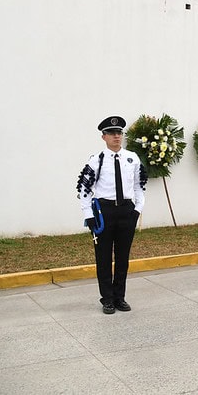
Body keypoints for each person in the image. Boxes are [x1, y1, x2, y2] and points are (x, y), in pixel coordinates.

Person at [76, 116, 147, 314]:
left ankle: (120, 297)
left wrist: (137, 210)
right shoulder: (96, 160)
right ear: (103, 137)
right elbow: (84, 189)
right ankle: (107, 299)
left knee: (123, 258)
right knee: (104, 258)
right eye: (112, 133)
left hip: (126, 211)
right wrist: (89, 215)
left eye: (119, 133)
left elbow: (139, 187)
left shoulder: (132, 158)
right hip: (103, 212)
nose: (117, 137)